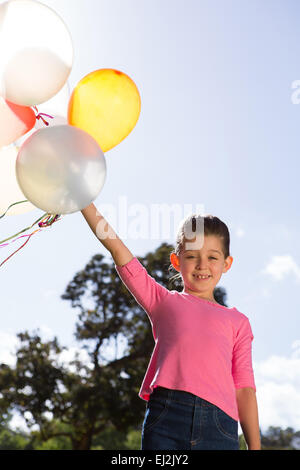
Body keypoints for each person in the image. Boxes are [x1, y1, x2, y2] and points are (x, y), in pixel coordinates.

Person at [81, 204, 261, 450]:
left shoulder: (238, 322)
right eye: (191, 256)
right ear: (176, 261)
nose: (202, 265)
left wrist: (255, 446)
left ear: (226, 263)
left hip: (220, 427)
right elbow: (116, 248)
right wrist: (84, 202)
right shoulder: (163, 301)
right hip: (166, 417)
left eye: (212, 257)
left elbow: (244, 389)